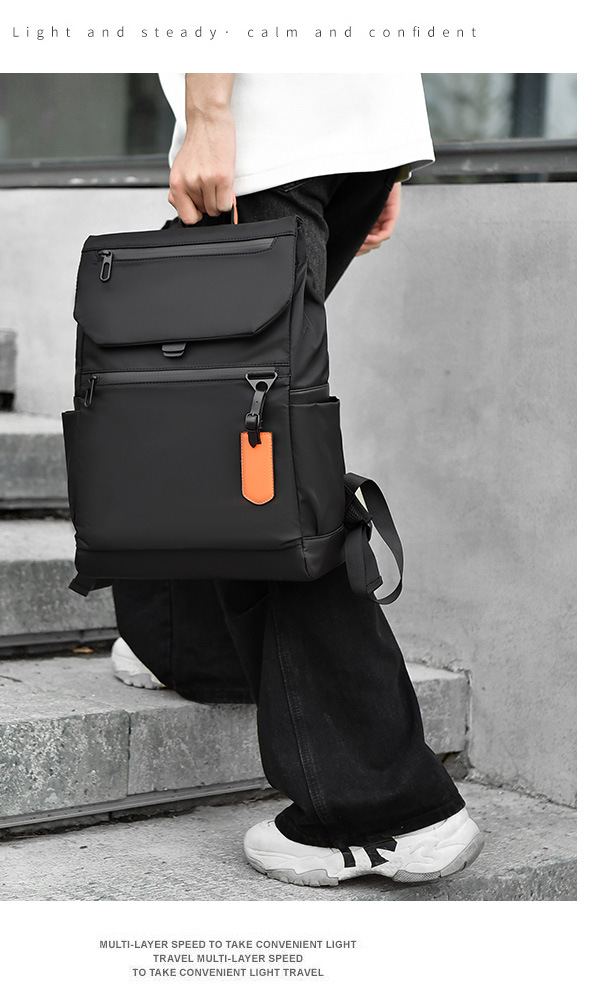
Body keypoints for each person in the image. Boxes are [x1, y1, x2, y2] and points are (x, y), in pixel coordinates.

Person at [110, 73, 484, 886]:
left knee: (265, 457)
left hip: (266, 135)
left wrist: (208, 114)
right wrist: (381, 153)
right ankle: (187, 642)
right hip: (351, 132)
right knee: (215, 400)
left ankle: (383, 806)